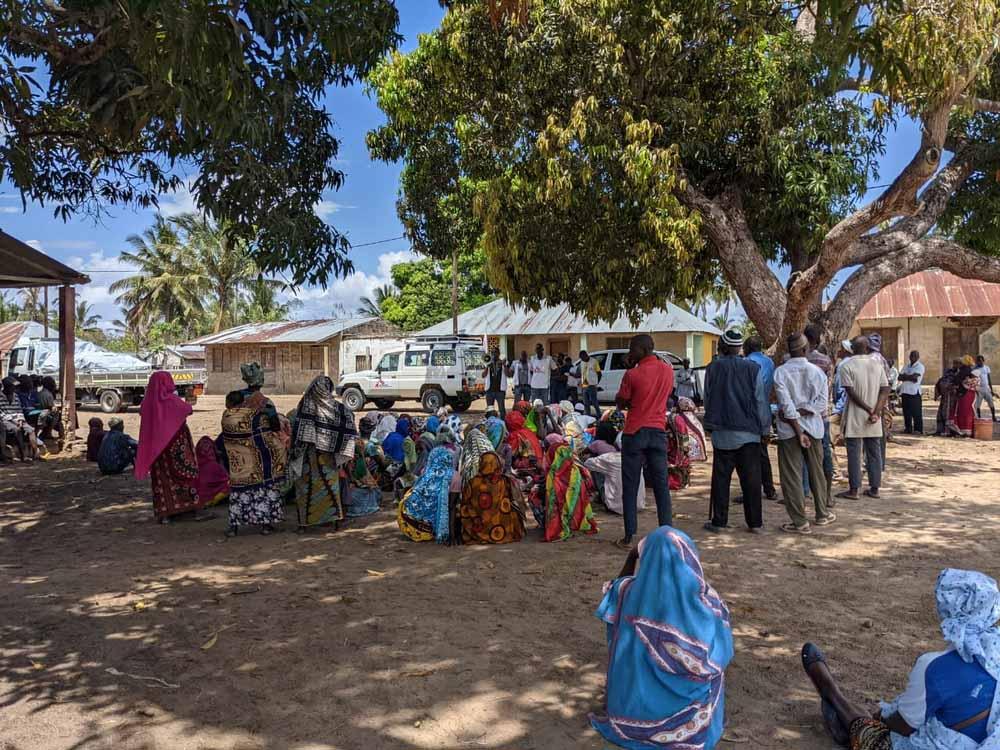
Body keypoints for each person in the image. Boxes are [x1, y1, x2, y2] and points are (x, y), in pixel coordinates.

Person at [802, 568, 1000, 750]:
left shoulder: (933, 666)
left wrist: (880, 722)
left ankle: (832, 694)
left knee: (873, 733)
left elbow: (903, 727)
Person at [590, 527, 734, 750]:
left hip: (632, 713)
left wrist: (632, 556)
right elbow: (720, 656)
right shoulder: (709, 605)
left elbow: (614, 588)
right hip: (689, 718)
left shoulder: (627, 592)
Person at [704, 330, 770, 534]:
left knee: (721, 479)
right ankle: (755, 523)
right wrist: (765, 428)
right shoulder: (753, 368)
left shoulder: (713, 368)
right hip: (749, 433)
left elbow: (707, 397)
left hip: (722, 432)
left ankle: (719, 522)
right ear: (739, 348)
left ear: (722, 348)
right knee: (751, 479)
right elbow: (760, 401)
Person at [615, 333, 675, 549]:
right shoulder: (668, 370)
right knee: (661, 484)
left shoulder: (633, 374)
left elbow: (621, 402)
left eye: (632, 349)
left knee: (630, 485)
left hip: (635, 431)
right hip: (658, 431)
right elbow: (668, 393)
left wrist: (628, 370)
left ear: (641, 350)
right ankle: (667, 532)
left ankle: (630, 534)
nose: (630, 352)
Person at [773, 333, 834, 534]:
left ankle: (800, 521)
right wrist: (804, 411)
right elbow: (820, 404)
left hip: (789, 430)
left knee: (792, 476)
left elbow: (786, 406)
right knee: (817, 472)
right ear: (806, 350)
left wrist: (796, 421)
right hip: (814, 428)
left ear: (789, 351)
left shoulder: (781, 373)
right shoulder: (817, 373)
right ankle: (822, 514)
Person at [220, 363, 289, 536]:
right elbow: (274, 426)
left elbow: (230, 419)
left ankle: (234, 527)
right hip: (262, 454)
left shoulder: (234, 397)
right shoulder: (265, 403)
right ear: (261, 381)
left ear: (245, 379)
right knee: (266, 485)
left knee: (238, 488)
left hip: (238, 455)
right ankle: (265, 525)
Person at [135, 371, 206, 524]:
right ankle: (193, 508)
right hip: (177, 444)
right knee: (186, 473)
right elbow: (188, 409)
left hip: (157, 449)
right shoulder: (172, 400)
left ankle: (165, 513)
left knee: (162, 477)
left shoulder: (147, 403)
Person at [290, 375, 357, 532]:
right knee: (329, 489)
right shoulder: (338, 409)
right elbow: (349, 424)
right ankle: (333, 522)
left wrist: (295, 453)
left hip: (308, 457)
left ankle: (303, 525)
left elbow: (299, 433)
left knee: (305, 491)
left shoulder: (305, 405)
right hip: (328, 459)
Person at [836, 336, 889, 500]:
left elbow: (850, 392)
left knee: (854, 453)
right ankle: (874, 488)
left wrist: (867, 409)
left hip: (855, 416)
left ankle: (854, 490)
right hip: (874, 417)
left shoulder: (846, 365)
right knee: (874, 452)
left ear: (852, 348)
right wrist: (876, 411)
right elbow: (885, 389)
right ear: (867, 348)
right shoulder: (877, 365)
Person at [458, 450, 525, 544]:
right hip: (501, 526)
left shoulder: (472, 483)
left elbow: (466, 503)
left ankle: (480, 534)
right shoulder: (503, 481)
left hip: (478, 523)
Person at [743, 336, 778, 502]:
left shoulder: (745, 363)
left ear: (747, 348)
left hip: (749, 412)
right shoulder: (769, 363)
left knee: (748, 455)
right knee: (763, 453)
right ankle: (769, 488)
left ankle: (751, 491)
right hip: (765, 410)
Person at [397, 446, 455, 543]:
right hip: (429, 526)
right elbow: (452, 504)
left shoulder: (425, 472)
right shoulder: (453, 476)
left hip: (411, 522)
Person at [543, 442, 598, 541]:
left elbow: (552, 499)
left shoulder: (553, 475)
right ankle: (574, 522)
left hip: (562, 508)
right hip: (578, 509)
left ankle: (559, 525)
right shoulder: (575, 469)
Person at [0, 377, 36, 461]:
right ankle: (23, 455)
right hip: (6, 420)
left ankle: (35, 454)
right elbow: (1, 414)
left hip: (17, 419)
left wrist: (20, 420)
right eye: (13, 387)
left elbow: (19, 410)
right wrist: (14, 421)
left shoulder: (16, 396)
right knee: (16, 429)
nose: (14, 389)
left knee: (31, 430)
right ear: (7, 387)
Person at [947, 358, 979, 438]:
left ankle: (962, 430)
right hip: (970, 394)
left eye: (960, 362)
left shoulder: (964, 370)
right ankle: (968, 430)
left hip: (964, 394)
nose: (959, 364)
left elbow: (957, 381)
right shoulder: (970, 370)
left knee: (962, 411)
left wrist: (953, 385)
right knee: (968, 411)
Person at [195, 436, 230, 506]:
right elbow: (226, 480)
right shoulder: (215, 466)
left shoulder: (196, 468)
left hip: (201, 499)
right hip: (215, 497)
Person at [898, 350, 926, 435]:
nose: (912, 357)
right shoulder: (906, 366)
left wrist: (905, 376)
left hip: (914, 392)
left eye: (914, 356)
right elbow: (899, 377)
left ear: (918, 357)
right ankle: (908, 428)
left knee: (916, 412)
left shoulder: (920, 366)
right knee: (906, 412)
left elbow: (915, 379)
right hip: (905, 391)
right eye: (911, 356)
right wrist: (908, 376)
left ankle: (918, 429)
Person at [482, 347, 508, 418]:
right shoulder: (488, 362)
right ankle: (490, 424)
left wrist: (504, 365)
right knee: (490, 410)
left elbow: (508, 374)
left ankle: (503, 424)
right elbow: (483, 375)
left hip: (500, 390)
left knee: (502, 409)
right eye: (492, 352)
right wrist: (487, 366)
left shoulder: (503, 362)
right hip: (489, 390)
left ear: (499, 353)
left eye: (495, 352)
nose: (494, 354)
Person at [577, 350, 602, 418]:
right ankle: (588, 416)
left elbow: (599, 374)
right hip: (584, 385)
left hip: (592, 385)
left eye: (582, 358)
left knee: (594, 402)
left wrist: (596, 383)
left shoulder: (594, 361)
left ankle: (599, 415)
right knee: (586, 403)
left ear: (586, 355)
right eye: (581, 358)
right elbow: (581, 373)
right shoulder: (582, 363)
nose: (582, 359)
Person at [973, 354, 996, 422]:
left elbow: (989, 379)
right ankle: (979, 417)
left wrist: (991, 390)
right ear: (976, 362)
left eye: (981, 361)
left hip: (986, 388)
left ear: (983, 361)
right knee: (977, 405)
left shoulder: (986, 368)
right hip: (979, 389)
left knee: (991, 402)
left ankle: (993, 416)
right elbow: (974, 379)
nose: (980, 362)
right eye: (978, 361)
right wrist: (975, 389)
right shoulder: (975, 369)